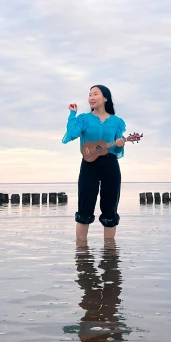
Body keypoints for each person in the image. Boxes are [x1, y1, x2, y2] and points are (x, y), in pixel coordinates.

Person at [62, 85, 126, 241]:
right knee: (85, 208)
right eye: (90, 94)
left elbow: (118, 153)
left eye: (95, 94)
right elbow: (69, 136)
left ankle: (110, 256)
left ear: (105, 98)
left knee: (110, 208)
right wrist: (72, 114)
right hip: (89, 165)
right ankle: (82, 256)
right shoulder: (84, 119)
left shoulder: (116, 122)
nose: (91, 97)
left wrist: (120, 145)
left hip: (110, 165)